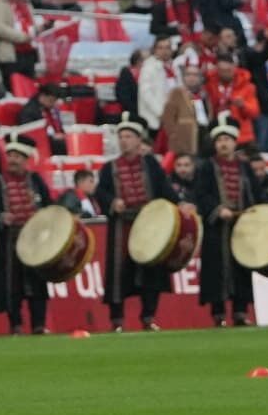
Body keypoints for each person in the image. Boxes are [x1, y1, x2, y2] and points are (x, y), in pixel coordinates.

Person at [95, 114, 184, 332]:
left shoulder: (151, 164)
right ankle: (117, 320)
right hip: (121, 227)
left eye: (128, 136)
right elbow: (100, 193)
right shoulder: (109, 168)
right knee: (119, 274)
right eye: (121, 137)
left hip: (148, 225)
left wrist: (180, 204)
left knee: (151, 272)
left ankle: (148, 317)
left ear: (138, 140)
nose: (124, 141)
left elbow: (164, 188)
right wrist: (112, 202)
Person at [0, 133, 54, 335]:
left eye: (17, 156)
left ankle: (39, 325)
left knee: (37, 285)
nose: (12, 160)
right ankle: (16, 325)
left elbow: (49, 205)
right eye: (10, 155)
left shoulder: (36, 180)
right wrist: (0, 216)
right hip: (9, 242)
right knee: (12, 285)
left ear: (26, 159)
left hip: (35, 243)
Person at [194, 115, 257, 328]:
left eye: (227, 139)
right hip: (216, 228)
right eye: (220, 140)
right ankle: (218, 314)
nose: (223, 143)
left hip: (241, 227)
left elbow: (256, 194)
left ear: (234, 142)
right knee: (216, 270)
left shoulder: (245, 167)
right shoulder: (206, 167)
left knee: (241, 269)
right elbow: (201, 194)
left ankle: (240, 312)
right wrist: (218, 209)